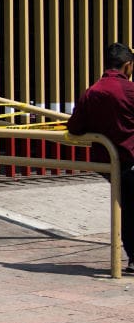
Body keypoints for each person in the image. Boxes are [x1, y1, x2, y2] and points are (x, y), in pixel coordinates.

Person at [66, 42, 134, 274]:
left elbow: (74, 128)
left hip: (109, 163)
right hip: (130, 159)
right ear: (127, 66)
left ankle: (133, 258)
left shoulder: (91, 92)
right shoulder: (130, 91)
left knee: (128, 208)